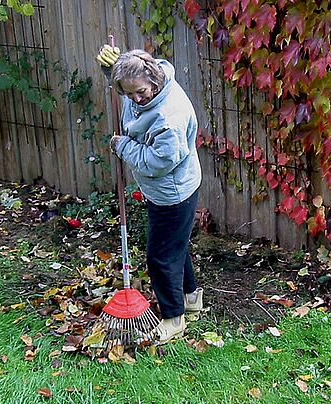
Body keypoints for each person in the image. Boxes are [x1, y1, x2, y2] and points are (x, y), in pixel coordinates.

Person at [103, 49, 203, 343]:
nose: (135, 99)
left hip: (172, 194)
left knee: (160, 256)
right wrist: (109, 72)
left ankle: (174, 318)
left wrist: (122, 146)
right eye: (128, 93)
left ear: (154, 81)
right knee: (175, 246)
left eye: (139, 92)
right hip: (172, 188)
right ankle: (191, 298)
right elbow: (126, 85)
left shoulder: (168, 117)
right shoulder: (146, 83)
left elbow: (157, 162)